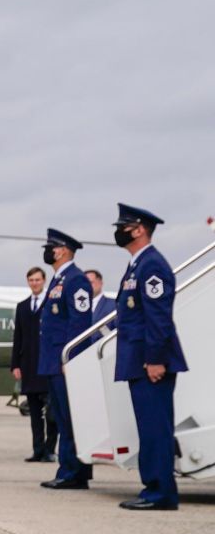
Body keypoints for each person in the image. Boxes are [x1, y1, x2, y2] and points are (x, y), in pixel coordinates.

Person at [112, 204, 188, 510]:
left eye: (124, 226)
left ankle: (161, 492)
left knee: (156, 428)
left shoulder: (152, 265)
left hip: (150, 362)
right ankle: (154, 487)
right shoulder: (136, 265)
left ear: (140, 229)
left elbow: (159, 317)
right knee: (149, 428)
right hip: (138, 359)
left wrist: (155, 358)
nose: (119, 231)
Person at [35, 229, 94, 491]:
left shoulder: (75, 280)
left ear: (65, 250)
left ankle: (73, 472)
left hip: (64, 362)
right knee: (62, 417)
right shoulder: (59, 280)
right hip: (53, 361)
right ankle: (70, 470)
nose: (48, 251)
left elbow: (79, 324)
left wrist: (70, 359)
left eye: (52, 247)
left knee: (70, 418)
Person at [11, 266, 58, 462]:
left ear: (44, 281)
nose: (34, 283)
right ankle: (37, 449)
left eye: (37, 280)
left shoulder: (52, 303)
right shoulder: (22, 307)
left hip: (47, 366)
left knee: (51, 413)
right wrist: (15, 365)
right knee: (34, 413)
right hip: (29, 366)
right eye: (31, 280)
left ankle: (49, 449)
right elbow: (18, 337)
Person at [81, 268, 116, 349]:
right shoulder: (76, 308)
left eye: (91, 282)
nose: (87, 286)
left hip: (104, 351)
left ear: (100, 283)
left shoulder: (113, 305)